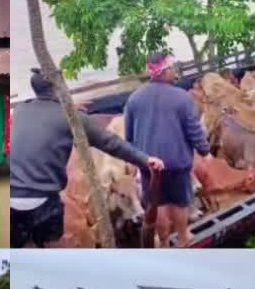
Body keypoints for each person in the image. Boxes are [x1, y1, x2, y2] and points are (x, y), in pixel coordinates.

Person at [9, 68, 164, 248]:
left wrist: (67, 106)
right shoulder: (72, 118)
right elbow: (110, 143)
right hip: (43, 202)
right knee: (51, 239)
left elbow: (46, 113)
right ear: (59, 88)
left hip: (11, 198)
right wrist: (145, 159)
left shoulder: (20, 110)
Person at [123, 52, 212, 248]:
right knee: (179, 203)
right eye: (172, 68)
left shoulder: (134, 99)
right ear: (165, 71)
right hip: (177, 163)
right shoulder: (182, 98)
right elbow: (194, 131)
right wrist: (205, 151)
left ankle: (163, 241)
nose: (175, 72)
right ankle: (182, 237)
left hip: (148, 165)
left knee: (157, 204)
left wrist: (135, 160)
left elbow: (128, 135)